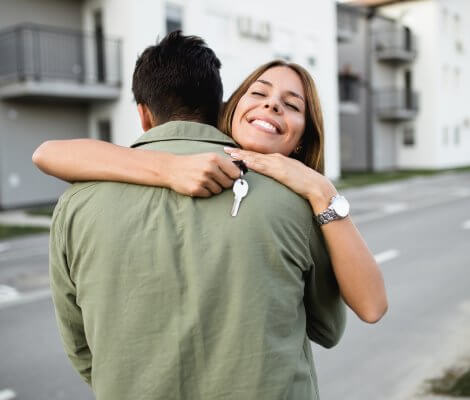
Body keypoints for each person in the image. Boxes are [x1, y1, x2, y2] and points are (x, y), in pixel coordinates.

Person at [38, 31, 386, 399]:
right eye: (260, 93)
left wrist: (321, 190)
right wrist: (169, 170)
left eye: (292, 105)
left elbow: (81, 347)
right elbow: (329, 329)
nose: (271, 107)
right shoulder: (292, 204)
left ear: (143, 115)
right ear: (225, 108)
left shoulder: (77, 201)